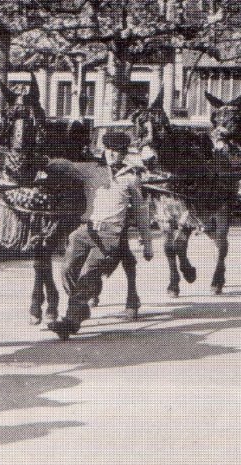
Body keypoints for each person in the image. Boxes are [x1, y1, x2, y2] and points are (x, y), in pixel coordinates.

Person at [48, 132, 153, 339]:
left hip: (110, 234)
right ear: (104, 150)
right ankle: (80, 308)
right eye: (111, 151)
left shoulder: (131, 178)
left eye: (119, 152)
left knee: (89, 273)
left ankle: (71, 321)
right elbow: (65, 166)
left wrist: (147, 244)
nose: (114, 156)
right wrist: (45, 161)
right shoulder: (91, 170)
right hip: (85, 230)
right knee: (67, 268)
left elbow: (142, 213)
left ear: (124, 154)